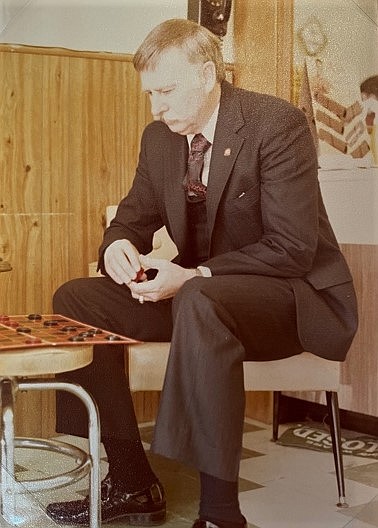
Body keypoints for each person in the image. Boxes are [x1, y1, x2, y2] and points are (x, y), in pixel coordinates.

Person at [46, 18, 358, 528]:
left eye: (166, 91)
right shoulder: (160, 138)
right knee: (78, 298)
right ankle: (131, 480)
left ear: (208, 74)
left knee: (199, 300)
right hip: (204, 297)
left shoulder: (275, 124)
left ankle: (219, 514)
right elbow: (132, 218)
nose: (156, 107)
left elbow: (293, 248)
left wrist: (193, 277)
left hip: (290, 299)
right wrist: (118, 247)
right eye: (150, 94)